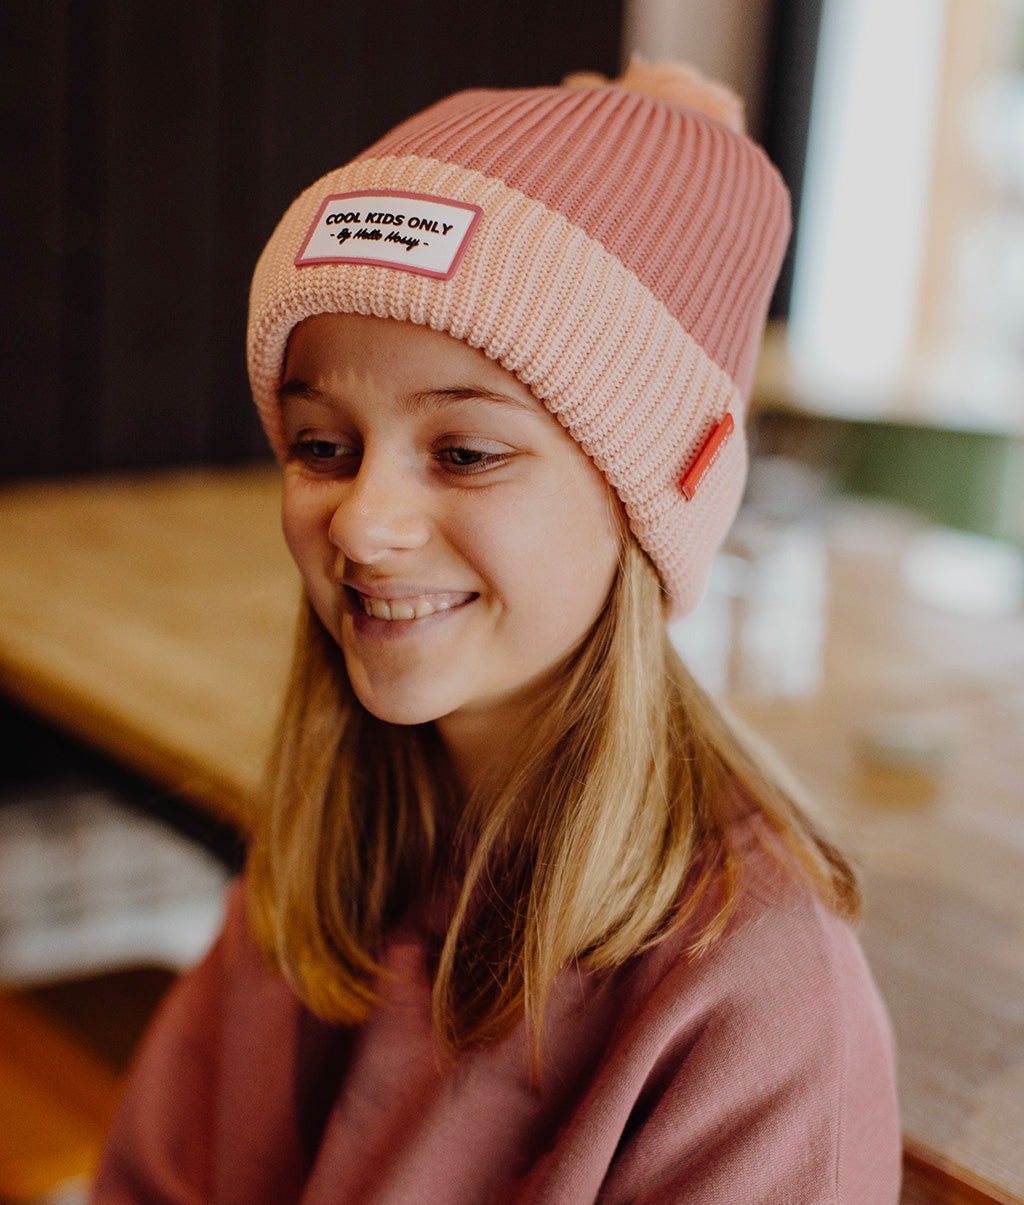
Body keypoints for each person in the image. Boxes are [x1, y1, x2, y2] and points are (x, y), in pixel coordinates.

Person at [92, 60, 901, 1203]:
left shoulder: (757, 996)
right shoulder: (330, 855)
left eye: (465, 452)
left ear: (648, 501)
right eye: (322, 446)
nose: (364, 523)